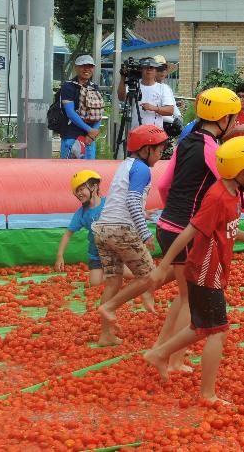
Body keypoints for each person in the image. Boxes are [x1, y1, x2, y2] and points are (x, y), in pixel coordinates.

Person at [152, 87, 244, 372]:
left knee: (183, 295)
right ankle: (171, 358)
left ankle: (162, 350)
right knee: (189, 298)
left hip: (166, 224)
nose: (234, 123)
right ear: (223, 118)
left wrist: (172, 212)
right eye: (233, 118)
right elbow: (232, 191)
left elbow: (163, 185)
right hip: (185, 228)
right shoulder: (213, 150)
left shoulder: (187, 140)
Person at [144, 137, 244, 403]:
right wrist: (164, 265)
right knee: (218, 330)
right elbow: (189, 231)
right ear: (242, 171)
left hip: (212, 271)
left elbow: (227, 229)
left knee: (201, 326)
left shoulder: (234, 194)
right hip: (205, 272)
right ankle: (207, 394)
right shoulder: (217, 197)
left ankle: (159, 354)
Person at [93, 125, 168, 346]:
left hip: (103, 229)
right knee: (150, 276)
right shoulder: (143, 170)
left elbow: (120, 198)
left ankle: (106, 335)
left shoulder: (125, 165)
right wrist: (145, 233)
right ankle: (110, 306)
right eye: (159, 150)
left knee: (113, 282)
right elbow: (132, 200)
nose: (160, 155)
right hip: (121, 230)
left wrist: (144, 213)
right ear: (146, 150)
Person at [53, 170, 158, 311]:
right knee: (95, 283)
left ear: (94, 186)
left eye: (81, 188)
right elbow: (68, 234)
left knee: (134, 275)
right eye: (76, 191)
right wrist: (60, 255)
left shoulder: (109, 203)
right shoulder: (81, 214)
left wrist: (143, 214)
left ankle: (139, 284)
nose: (78, 193)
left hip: (115, 251)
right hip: (96, 255)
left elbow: (127, 211)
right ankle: (113, 278)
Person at [58, 55, 104, 160]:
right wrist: (90, 130)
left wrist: (92, 133)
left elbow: (99, 112)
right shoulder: (68, 86)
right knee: (68, 171)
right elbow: (70, 113)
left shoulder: (94, 87)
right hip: (71, 135)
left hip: (89, 138)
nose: (87, 69)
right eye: (83, 66)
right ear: (76, 67)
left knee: (89, 172)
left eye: (90, 66)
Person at [118, 57, 175, 132]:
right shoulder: (134, 86)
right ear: (141, 70)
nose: (149, 70)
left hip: (155, 134)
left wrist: (153, 108)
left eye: (151, 67)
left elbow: (170, 111)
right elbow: (121, 98)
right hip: (136, 133)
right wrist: (123, 77)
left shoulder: (163, 88)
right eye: (146, 67)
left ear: (156, 71)